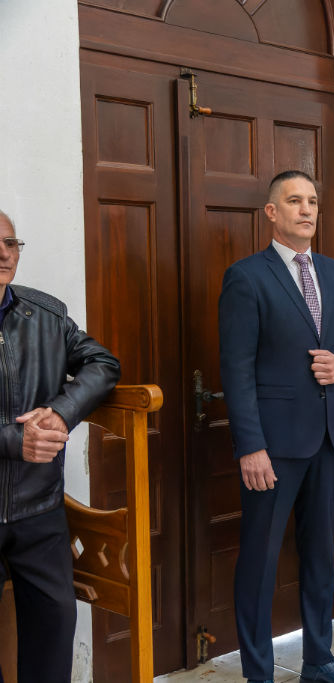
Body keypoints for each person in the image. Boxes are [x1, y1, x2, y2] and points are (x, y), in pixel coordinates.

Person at [218, 171, 334, 683]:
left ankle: (319, 661)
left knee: (321, 555)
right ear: (271, 212)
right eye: (294, 201)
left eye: (312, 201)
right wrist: (250, 446)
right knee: (260, 560)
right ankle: (258, 672)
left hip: (329, 437)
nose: (307, 210)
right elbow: (236, 368)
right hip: (273, 446)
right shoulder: (246, 277)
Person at [0, 210, 120, 683]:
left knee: (54, 630)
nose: (4, 253)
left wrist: (62, 411)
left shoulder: (46, 315)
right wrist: (16, 440)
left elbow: (103, 364)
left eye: (11, 243)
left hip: (39, 508)